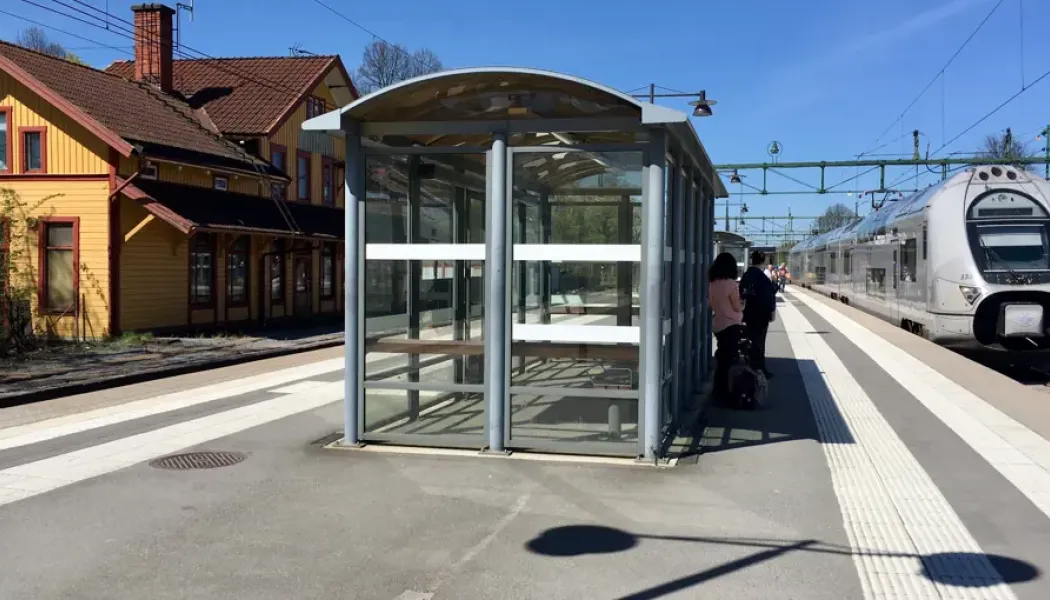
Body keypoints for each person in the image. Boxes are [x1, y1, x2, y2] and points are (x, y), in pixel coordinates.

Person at [708, 252, 744, 400]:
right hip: (732, 326)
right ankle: (724, 393)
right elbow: (737, 307)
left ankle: (718, 391)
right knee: (728, 362)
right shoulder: (732, 285)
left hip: (718, 325)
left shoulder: (712, 284)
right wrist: (744, 303)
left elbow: (711, 304)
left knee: (722, 359)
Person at [739, 250, 777, 378]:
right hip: (762, 316)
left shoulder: (747, 275)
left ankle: (753, 366)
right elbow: (769, 295)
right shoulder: (763, 278)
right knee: (760, 343)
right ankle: (759, 369)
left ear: (751, 260)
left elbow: (742, 293)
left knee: (752, 340)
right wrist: (771, 312)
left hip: (749, 314)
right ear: (763, 261)